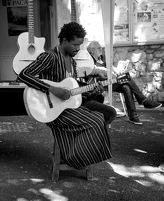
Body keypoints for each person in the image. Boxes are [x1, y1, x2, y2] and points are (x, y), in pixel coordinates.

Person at [18, 22, 115, 169]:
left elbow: (73, 87)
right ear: (64, 41)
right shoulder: (49, 57)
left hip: (71, 103)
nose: (78, 49)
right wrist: (52, 89)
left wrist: (93, 89)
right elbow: (23, 75)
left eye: (80, 45)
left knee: (109, 113)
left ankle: (75, 149)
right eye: (75, 45)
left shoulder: (71, 60)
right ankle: (73, 157)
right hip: (52, 109)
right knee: (96, 120)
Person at [86, 41, 161, 125]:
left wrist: (118, 70)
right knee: (127, 78)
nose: (101, 49)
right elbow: (93, 71)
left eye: (101, 48)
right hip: (101, 83)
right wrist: (108, 72)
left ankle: (133, 116)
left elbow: (111, 68)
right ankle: (143, 100)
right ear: (92, 50)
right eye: (98, 48)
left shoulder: (101, 59)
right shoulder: (89, 60)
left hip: (111, 80)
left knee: (126, 87)